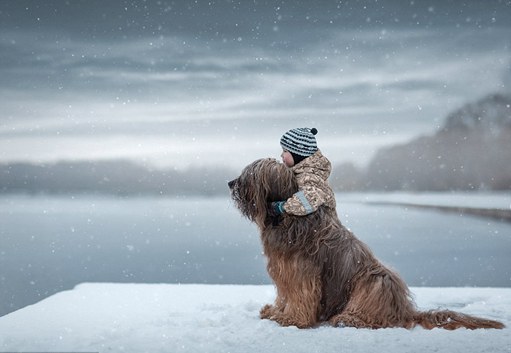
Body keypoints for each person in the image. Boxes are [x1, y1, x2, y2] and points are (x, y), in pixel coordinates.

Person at [270, 127, 336, 222]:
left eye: (285, 151)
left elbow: (308, 202)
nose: (281, 155)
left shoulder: (308, 177)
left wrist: (282, 207)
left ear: (298, 155)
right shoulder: (304, 173)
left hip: (320, 228)